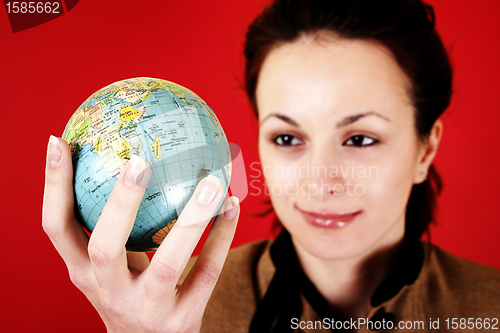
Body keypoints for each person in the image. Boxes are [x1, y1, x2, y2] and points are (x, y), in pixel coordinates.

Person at [42, 0, 500, 332]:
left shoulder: (489, 308)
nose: (320, 182)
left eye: (360, 139)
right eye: (287, 138)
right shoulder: (167, 308)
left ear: (425, 148)